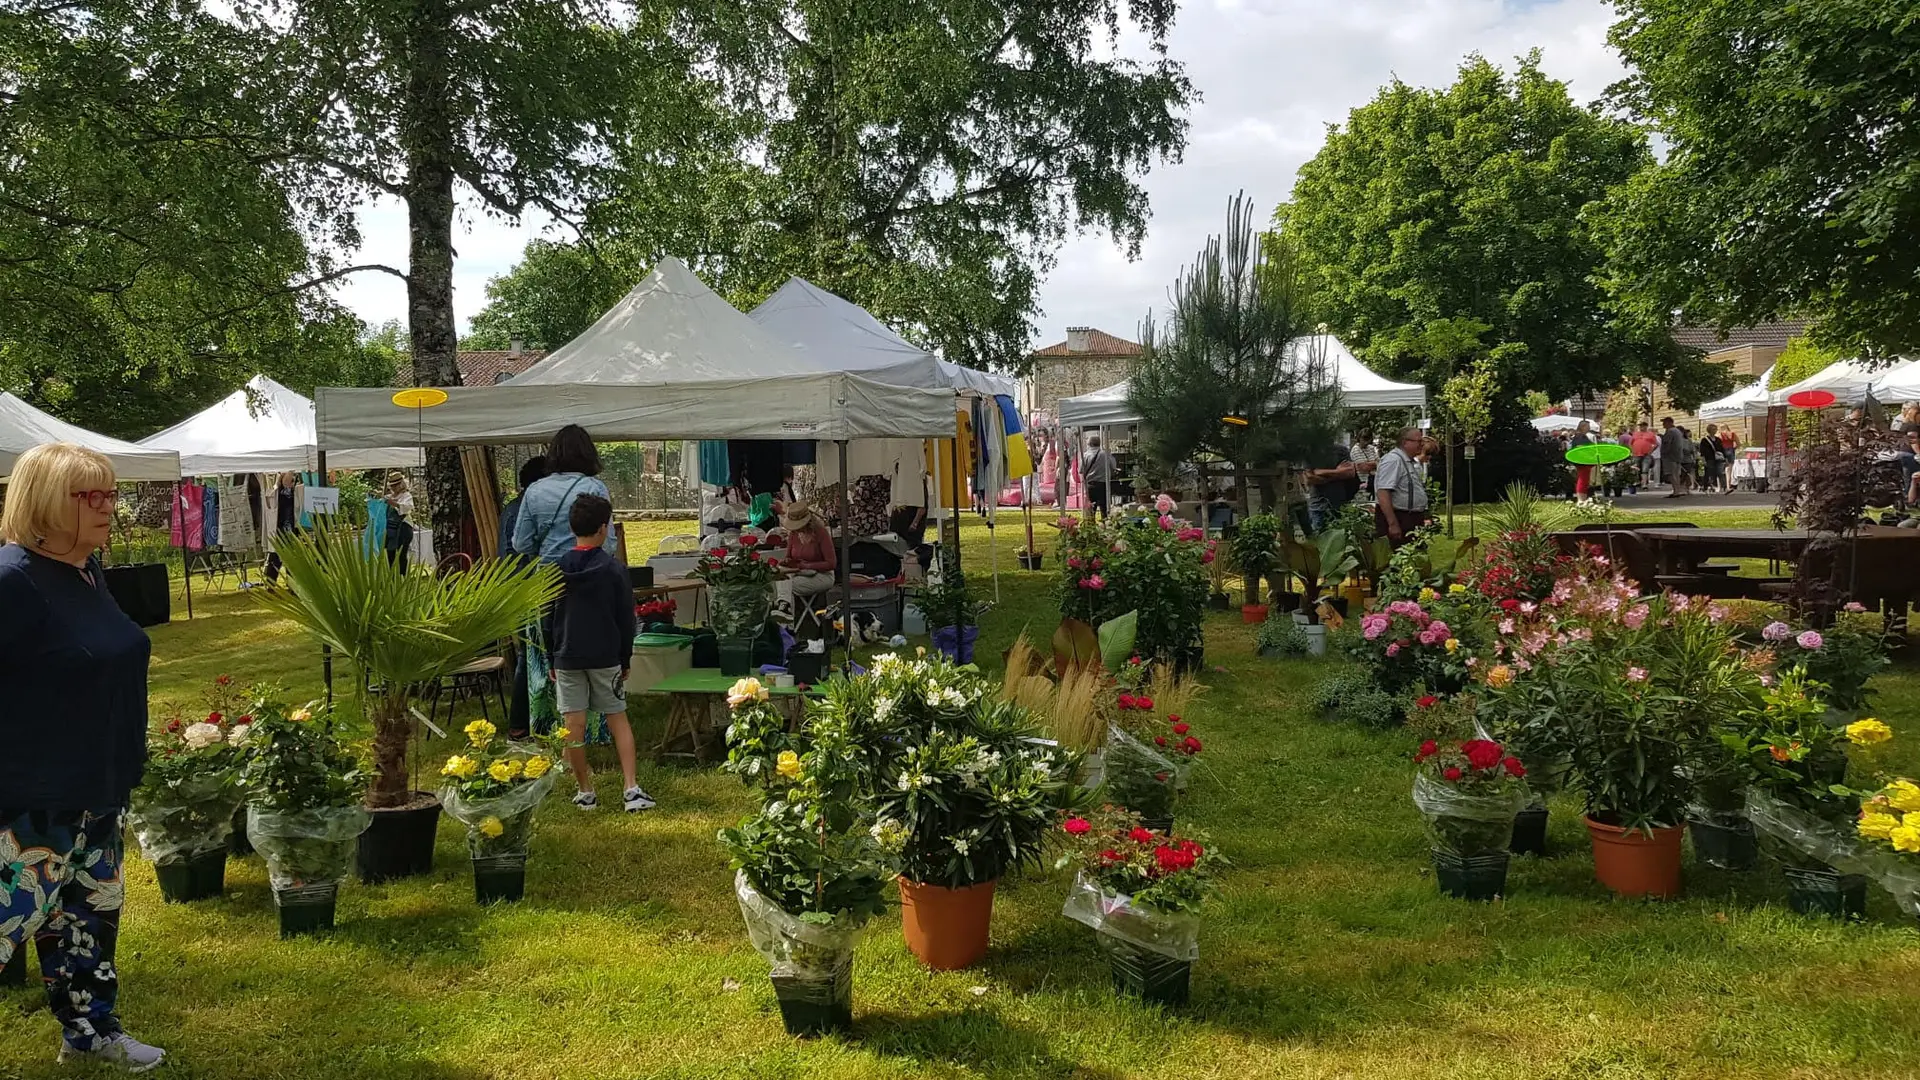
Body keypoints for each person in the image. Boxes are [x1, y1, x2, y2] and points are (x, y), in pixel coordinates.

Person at [0, 443, 166, 1071]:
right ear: (44, 502)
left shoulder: (85, 572)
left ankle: (91, 1033)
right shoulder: (11, 579)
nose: (108, 507)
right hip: (29, 802)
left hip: (98, 789)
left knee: (86, 924)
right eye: (88, 495)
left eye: (110, 493)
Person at [546, 493, 650, 813]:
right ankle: (631, 788)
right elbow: (625, 618)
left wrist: (552, 657)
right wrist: (626, 657)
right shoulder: (613, 569)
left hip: (566, 655)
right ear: (604, 528)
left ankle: (585, 791)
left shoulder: (556, 568)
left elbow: (546, 617)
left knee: (573, 725)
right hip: (606, 656)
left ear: (572, 527)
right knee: (617, 717)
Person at [514, 426, 614, 738]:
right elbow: (608, 543)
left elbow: (521, 544)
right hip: (590, 581)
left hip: (547, 582)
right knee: (591, 653)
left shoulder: (535, 491)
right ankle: (596, 727)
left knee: (545, 656)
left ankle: (547, 727)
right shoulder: (595, 488)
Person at [496, 455, 547, 738]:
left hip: (513, 588)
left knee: (528, 655)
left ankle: (528, 721)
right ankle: (520, 724)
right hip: (526, 588)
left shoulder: (511, 508)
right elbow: (525, 551)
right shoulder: (525, 509)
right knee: (530, 656)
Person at [1374, 427, 1431, 547]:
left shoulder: (1407, 461)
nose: (1422, 445)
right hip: (1400, 518)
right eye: (1419, 441)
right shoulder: (1393, 460)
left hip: (1409, 519)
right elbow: (1383, 492)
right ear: (1405, 442)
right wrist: (1393, 524)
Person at [779, 500, 838, 614]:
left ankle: (786, 611)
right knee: (781, 579)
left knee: (789, 585)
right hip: (800, 572)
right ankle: (784, 608)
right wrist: (787, 561)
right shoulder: (793, 534)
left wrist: (808, 565)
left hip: (823, 575)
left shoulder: (821, 533)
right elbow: (789, 557)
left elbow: (831, 563)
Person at [1304, 440, 1360, 532]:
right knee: (1319, 540)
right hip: (1318, 506)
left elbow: (1350, 473)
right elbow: (1310, 478)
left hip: (1339, 504)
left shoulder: (1341, 450)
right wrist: (1338, 473)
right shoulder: (1310, 452)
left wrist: (1321, 472)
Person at [263, 470, 301, 584]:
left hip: (288, 529)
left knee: (286, 558)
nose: (292, 482)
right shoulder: (283, 492)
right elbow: (287, 478)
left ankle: (289, 583)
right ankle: (273, 582)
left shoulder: (285, 492)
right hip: (282, 530)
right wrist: (290, 470)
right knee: (277, 558)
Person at [383, 471, 415, 572]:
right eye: (392, 486)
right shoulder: (389, 497)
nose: (393, 488)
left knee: (401, 553)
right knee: (390, 552)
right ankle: (392, 577)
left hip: (403, 528)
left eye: (395, 485)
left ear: (401, 484)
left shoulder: (406, 496)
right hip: (391, 529)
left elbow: (407, 507)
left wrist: (395, 504)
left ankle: (402, 576)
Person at [1081, 435, 1116, 520]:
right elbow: (1113, 466)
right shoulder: (1106, 454)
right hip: (1103, 484)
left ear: (1089, 444)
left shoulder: (1085, 455)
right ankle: (1105, 525)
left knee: (1091, 509)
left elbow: (1081, 470)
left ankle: (1091, 528)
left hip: (1090, 485)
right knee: (1104, 509)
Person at [1659, 417, 1691, 497]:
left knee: (1671, 474)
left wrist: (1663, 453)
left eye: (1665, 422)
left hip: (1670, 456)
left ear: (1669, 423)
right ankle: (1677, 490)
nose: (1663, 424)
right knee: (1676, 474)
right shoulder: (1678, 431)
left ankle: (1676, 491)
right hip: (1678, 455)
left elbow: (1667, 444)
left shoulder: (1670, 432)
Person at [1570, 420, 1596, 501]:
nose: (1589, 428)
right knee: (1583, 479)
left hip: (1585, 461)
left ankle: (1583, 498)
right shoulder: (1580, 437)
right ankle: (1581, 499)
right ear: (1583, 427)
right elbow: (1580, 447)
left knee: (1585, 480)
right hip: (1582, 461)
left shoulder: (1581, 436)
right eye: (1588, 426)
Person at [1630, 422, 1658, 489]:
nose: (1641, 427)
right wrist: (1632, 451)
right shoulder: (1635, 434)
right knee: (1636, 468)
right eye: (1640, 426)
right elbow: (1630, 443)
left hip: (1646, 454)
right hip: (1636, 454)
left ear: (1646, 426)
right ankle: (1638, 482)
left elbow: (1656, 444)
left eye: (1643, 426)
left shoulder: (1650, 434)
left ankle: (1644, 484)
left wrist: (1651, 451)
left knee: (1645, 469)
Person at [1699, 425, 1725, 496]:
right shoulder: (1705, 440)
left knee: (1720, 472)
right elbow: (1702, 451)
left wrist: (1725, 458)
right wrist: (1703, 459)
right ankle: (1707, 486)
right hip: (1709, 458)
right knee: (1709, 472)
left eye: (1715, 429)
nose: (1715, 430)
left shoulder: (1718, 439)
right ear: (1709, 430)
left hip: (1719, 459)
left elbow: (1722, 449)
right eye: (1713, 429)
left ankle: (1721, 487)